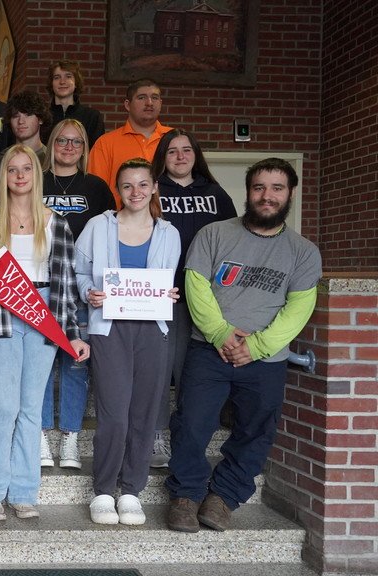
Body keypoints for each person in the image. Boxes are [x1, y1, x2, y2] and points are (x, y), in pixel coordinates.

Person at [165, 158, 321, 533]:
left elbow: (299, 307)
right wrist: (221, 334)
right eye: (259, 188)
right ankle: (185, 495)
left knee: (257, 429)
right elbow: (196, 287)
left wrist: (258, 346)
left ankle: (223, 497)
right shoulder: (215, 234)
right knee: (191, 423)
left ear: (291, 194)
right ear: (248, 192)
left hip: (265, 359)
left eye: (277, 188)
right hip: (209, 349)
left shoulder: (303, 252)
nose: (267, 196)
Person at [0, 144, 90, 521]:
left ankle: (24, 492)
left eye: (26, 169)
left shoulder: (55, 223)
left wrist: (73, 333)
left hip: (45, 314)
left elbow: (66, 284)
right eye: (12, 169)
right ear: (3, 176)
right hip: (3, 315)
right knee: (5, 407)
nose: (20, 175)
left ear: (36, 175)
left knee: (29, 409)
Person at [74, 158, 180, 526]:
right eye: (127, 186)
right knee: (114, 415)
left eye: (142, 184)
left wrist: (170, 294)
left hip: (153, 330)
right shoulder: (97, 226)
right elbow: (80, 271)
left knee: (144, 414)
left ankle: (132, 489)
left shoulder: (168, 233)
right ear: (118, 191)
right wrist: (90, 292)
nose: (135, 192)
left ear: (154, 188)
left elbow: (166, 282)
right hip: (109, 329)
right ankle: (104, 489)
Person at [148, 129, 237, 468]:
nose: (181, 156)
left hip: (203, 300)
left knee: (192, 372)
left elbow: (234, 243)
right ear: (163, 156)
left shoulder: (215, 194)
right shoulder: (152, 189)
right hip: (161, 295)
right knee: (158, 369)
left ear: (196, 155)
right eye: (172, 151)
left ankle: (185, 434)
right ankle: (156, 432)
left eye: (187, 150)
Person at [40, 119, 114, 469]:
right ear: (51, 143)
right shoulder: (35, 180)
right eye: (62, 141)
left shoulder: (97, 187)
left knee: (74, 363)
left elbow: (110, 236)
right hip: (39, 284)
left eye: (77, 142)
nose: (69, 148)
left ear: (85, 148)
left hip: (82, 288)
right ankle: (38, 435)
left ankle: (70, 438)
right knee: (40, 363)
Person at [88, 79, 172, 209]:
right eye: (141, 97)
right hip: (119, 221)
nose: (149, 103)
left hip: (169, 219)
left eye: (154, 98)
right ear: (127, 104)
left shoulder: (175, 139)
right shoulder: (106, 143)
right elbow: (95, 192)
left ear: (160, 103)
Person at [0, 90, 52, 201]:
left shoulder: (53, 160)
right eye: (15, 116)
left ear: (41, 119)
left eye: (28, 115)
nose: (21, 121)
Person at [45, 60, 105, 148]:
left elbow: (96, 153)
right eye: (57, 77)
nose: (62, 82)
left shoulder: (92, 117)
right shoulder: (43, 116)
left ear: (76, 82)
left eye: (68, 76)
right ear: (51, 83)